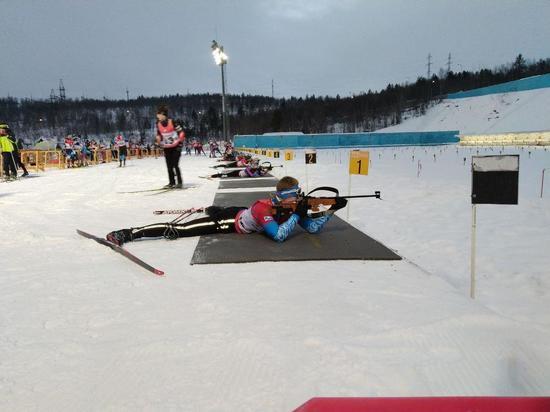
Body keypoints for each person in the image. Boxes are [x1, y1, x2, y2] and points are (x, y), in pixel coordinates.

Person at [106, 176, 342, 246]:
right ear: (282, 196)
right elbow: (278, 236)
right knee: (180, 229)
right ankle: (129, 233)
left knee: (218, 209)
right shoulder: (264, 208)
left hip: (239, 211)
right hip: (230, 222)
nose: (299, 199)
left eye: (299, 194)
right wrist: (296, 214)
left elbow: (311, 229)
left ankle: (211, 209)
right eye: (295, 195)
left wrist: (331, 210)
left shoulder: (292, 208)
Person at [156, 106, 185, 188]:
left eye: (159, 116)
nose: (158, 118)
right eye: (157, 117)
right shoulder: (158, 124)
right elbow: (159, 135)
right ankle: (171, 182)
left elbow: (181, 132)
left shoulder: (172, 122)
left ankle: (179, 182)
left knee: (175, 164)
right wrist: (158, 139)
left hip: (176, 146)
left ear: (164, 115)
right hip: (167, 147)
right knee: (169, 166)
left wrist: (180, 140)